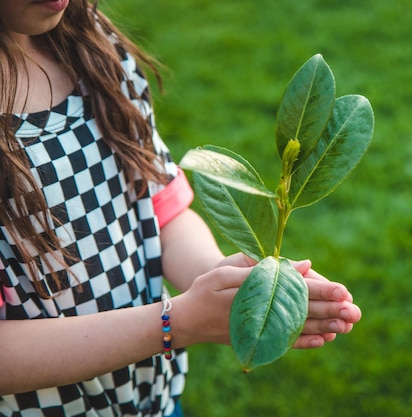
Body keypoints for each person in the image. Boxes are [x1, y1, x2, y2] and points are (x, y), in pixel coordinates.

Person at [0, 1, 362, 416]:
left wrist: (223, 284)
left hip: (153, 400)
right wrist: (177, 323)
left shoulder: (94, 46)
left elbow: (161, 211)